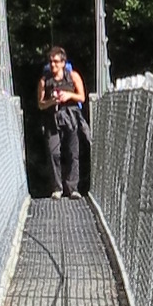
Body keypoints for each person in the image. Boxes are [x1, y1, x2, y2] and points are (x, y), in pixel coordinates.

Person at [36, 41, 90, 196]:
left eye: (56, 61)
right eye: (51, 61)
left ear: (63, 63)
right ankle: (57, 188)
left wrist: (68, 95)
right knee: (54, 153)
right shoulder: (44, 81)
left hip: (70, 116)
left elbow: (82, 97)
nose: (53, 65)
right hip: (52, 118)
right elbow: (40, 104)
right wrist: (52, 101)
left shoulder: (72, 76)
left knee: (73, 152)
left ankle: (73, 188)